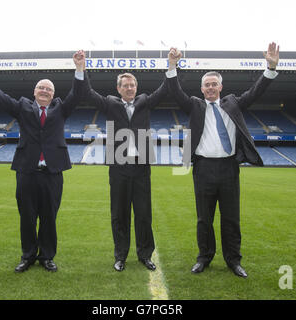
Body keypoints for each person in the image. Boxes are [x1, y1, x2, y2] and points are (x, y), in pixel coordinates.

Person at [166, 43, 280, 278]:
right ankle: (203, 258)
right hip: (203, 168)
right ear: (201, 88)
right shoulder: (195, 105)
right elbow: (176, 92)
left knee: (231, 218)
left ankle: (234, 261)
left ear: (220, 86)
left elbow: (256, 92)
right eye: (206, 85)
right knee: (203, 219)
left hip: (229, 168)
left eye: (213, 84)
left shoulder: (233, 103)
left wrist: (270, 67)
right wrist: (172, 66)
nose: (210, 88)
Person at [0, 51, 86, 273]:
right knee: (27, 217)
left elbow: (78, 94)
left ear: (53, 94)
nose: (44, 91)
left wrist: (79, 68)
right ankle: (28, 256)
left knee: (49, 218)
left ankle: (47, 257)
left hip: (52, 173)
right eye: (41, 87)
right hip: (26, 171)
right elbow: (1, 97)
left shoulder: (61, 108)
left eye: (48, 89)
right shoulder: (22, 107)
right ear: (34, 92)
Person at [83, 57, 169, 272]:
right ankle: (120, 256)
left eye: (133, 85)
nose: (130, 88)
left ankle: (145, 255)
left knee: (143, 214)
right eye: (126, 85)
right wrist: (80, 69)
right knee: (119, 214)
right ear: (119, 88)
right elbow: (87, 93)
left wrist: (172, 66)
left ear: (136, 88)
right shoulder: (110, 103)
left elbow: (165, 89)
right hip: (119, 167)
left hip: (141, 168)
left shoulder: (145, 101)